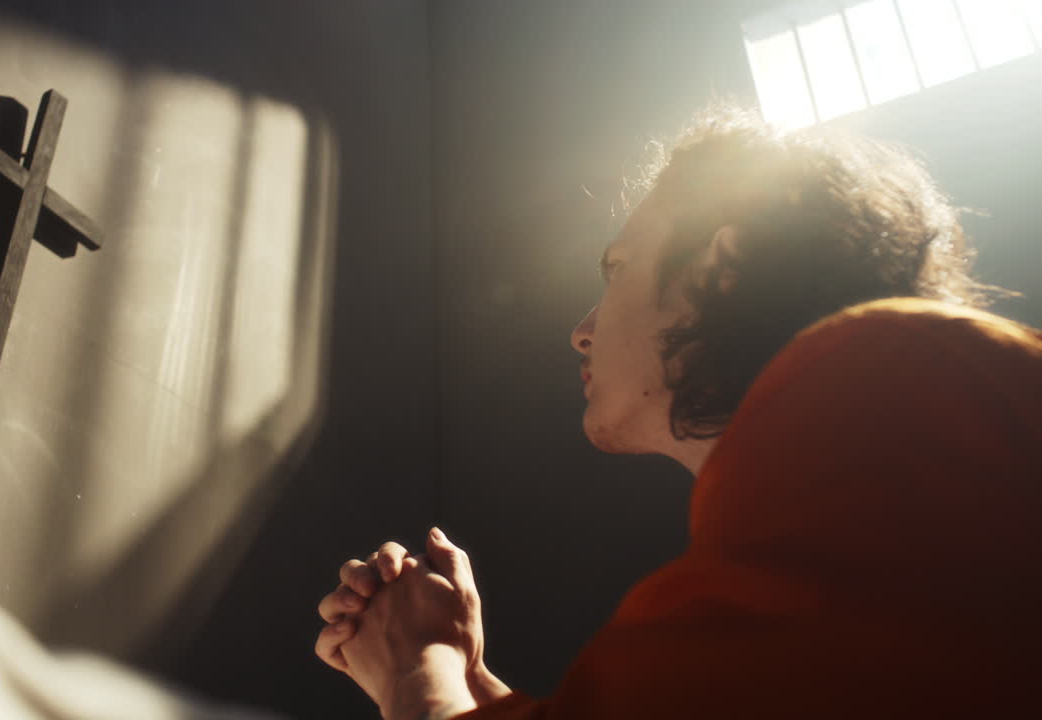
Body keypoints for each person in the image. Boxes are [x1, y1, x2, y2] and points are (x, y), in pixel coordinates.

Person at [313, 104, 1042, 718]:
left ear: (721, 271)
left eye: (618, 268)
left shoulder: (898, 376)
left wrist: (417, 671)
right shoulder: (899, 439)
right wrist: (463, 675)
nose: (581, 328)